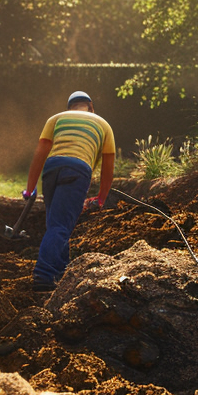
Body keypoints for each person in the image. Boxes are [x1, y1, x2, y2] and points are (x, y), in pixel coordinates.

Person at [23, 90, 115, 292]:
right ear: (91, 106)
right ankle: (44, 275)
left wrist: (30, 189)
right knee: (60, 226)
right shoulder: (103, 124)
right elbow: (108, 169)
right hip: (77, 170)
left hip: (51, 168)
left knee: (56, 223)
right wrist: (100, 198)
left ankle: (60, 271)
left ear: (69, 107)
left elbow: (40, 154)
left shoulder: (56, 119)